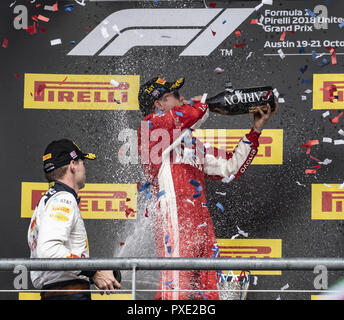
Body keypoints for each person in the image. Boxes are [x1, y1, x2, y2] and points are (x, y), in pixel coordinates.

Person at [137, 76, 278, 300]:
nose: (181, 98)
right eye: (175, 95)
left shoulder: (191, 144)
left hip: (203, 230)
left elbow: (229, 167)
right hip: (175, 229)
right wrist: (205, 103)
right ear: (159, 104)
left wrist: (255, 130)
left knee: (210, 297)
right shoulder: (150, 128)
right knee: (175, 297)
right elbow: (192, 114)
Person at [27, 139, 121, 300]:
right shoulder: (63, 199)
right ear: (73, 165)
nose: (84, 169)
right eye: (82, 162)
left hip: (56, 292)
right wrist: (93, 272)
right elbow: (48, 251)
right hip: (69, 294)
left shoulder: (46, 201)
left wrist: (93, 273)